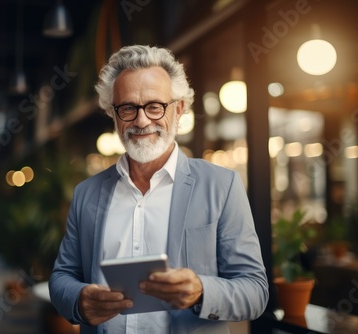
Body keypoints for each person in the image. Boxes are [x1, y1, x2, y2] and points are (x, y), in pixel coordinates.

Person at [49, 45, 268, 333]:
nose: (141, 121)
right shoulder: (87, 193)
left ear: (178, 109)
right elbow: (62, 276)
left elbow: (255, 291)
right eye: (128, 108)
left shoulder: (221, 185)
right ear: (113, 115)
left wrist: (202, 290)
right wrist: (79, 301)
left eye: (155, 106)